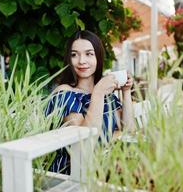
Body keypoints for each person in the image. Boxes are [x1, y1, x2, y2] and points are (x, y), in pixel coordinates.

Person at [45, 30, 134, 174]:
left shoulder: (106, 93)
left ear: (98, 57)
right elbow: (84, 145)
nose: (81, 61)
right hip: (71, 177)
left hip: (104, 170)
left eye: (89, 54)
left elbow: (128, 129)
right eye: (74, 54)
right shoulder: (64, 93)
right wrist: (98, 93)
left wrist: (126, 91)